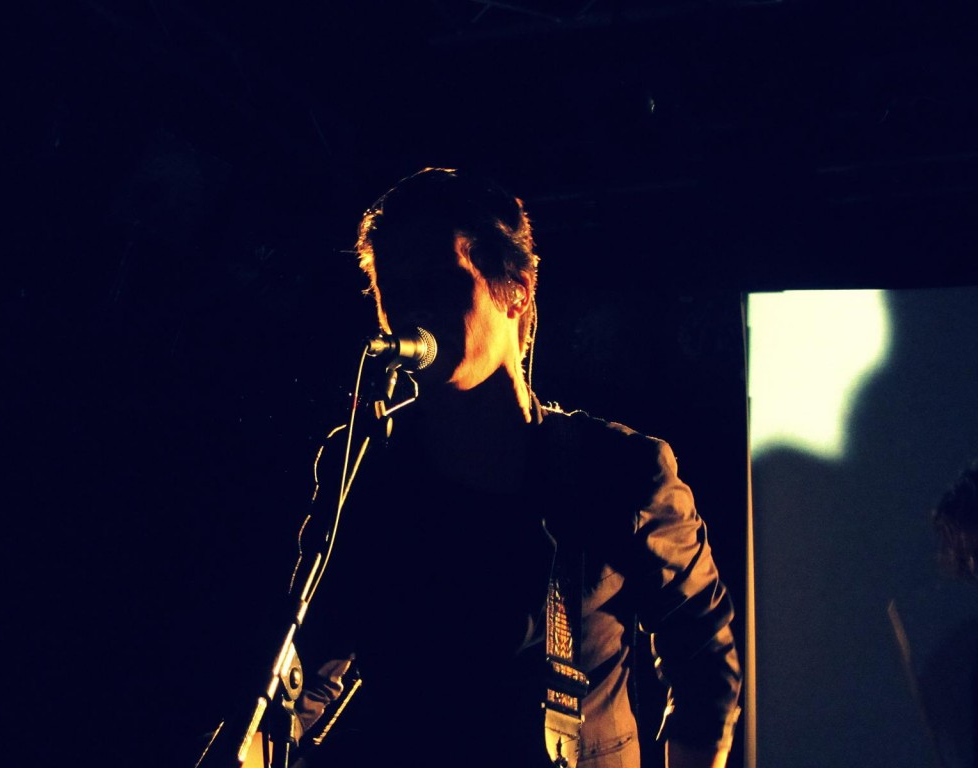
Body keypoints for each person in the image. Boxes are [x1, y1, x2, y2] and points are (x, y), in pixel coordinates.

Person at [288, 167, 741, 768]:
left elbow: (704, 660)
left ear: (517, 289)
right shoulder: (363, 462)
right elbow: (309, 666)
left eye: (438, 280)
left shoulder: (619, 468)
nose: (414, 309)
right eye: (394, 289)